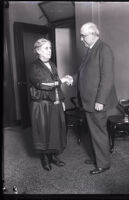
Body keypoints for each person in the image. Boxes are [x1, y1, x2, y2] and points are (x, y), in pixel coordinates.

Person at [72, 22, 118, 175]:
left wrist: (100, 101)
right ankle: (97, 158)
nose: (81, 39)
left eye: (83, 36)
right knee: (93, 131)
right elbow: (85, 73)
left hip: (96, 102)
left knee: (98, 132)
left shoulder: (104, 49)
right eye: (81, 36)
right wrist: (72, 78)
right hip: (88, 101)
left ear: (93, 34)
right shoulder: (91, 50)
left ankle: (103, 164)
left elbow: (107, 78)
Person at [29, 38, 72, 171]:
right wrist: (61, 81)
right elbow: (42, 85)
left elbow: (56, 83)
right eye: (46, 48)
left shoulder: (52, 64)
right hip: (42, 104)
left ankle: (53, 156)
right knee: (44, 131)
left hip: (54, 102)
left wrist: (62, 101)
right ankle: (45, 159)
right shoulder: (34, 66)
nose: (49, 51)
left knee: (55, 130)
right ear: (38, 50)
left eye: (50, 48)